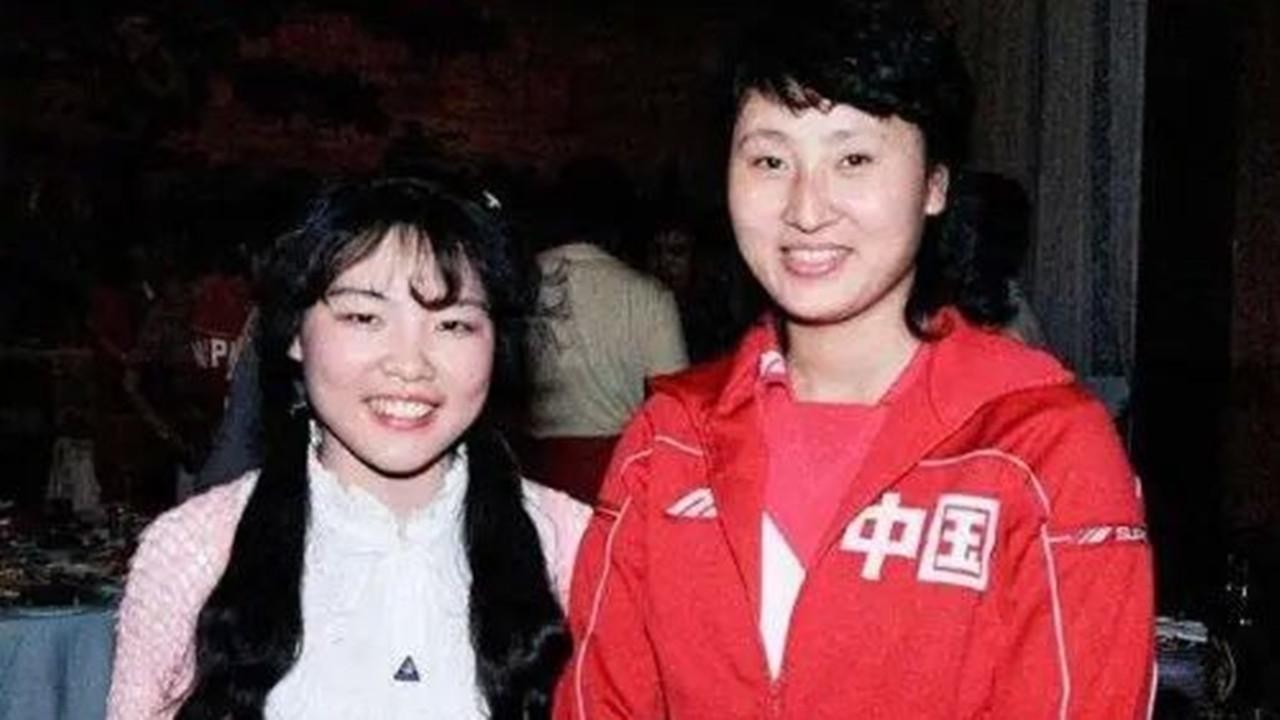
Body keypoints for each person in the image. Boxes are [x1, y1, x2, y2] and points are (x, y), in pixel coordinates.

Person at [555, 2, 1155, 718]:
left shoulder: (1044, 448)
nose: (807, 210)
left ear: (934, 184)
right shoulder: (669, 441)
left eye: (854, 159)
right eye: (770, 160)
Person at [108, 176, 589, 719]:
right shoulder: (195, 551)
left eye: (453, 324)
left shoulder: (570, 546)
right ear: (295, 333)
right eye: (364, 317)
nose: (409, 364)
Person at [521, 159, 688, 502]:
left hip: (534, 473)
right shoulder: (648, 295)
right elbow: (674, 403)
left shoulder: (520, 283)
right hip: (618, 477)